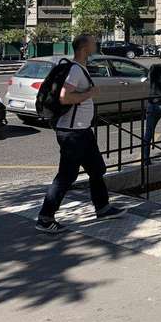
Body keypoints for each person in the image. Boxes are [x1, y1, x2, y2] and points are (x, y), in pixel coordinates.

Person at [35, 34, 124, 234]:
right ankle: (45, 217)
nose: (96, 45)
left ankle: (103, 208)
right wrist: (89, 94)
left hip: (82, 131)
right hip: (72, 133)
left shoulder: (79, 68)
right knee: (67, 175)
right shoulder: (75, 70)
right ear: (85, 48)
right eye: (93, 43)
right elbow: (65, 98)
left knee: (97, 169)